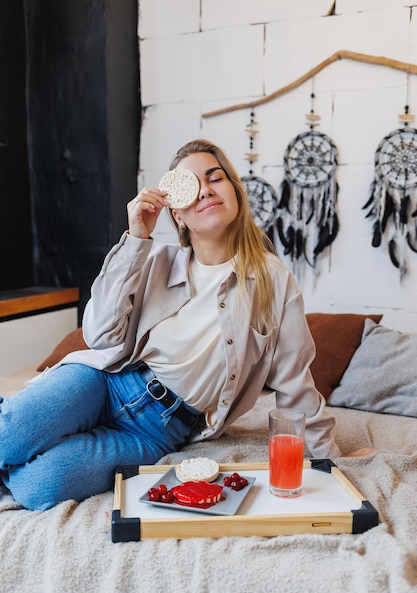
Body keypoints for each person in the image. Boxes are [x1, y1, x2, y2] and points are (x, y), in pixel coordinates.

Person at [0, 139, 373, 511]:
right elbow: (99, 335)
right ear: (177, 214)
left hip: (158, 432)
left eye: (216, 178)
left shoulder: (273, 281)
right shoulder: (152, 260)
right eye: (193, 185)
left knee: (40, 486)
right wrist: (136, 239)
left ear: (235, 193)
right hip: (105, 382)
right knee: (10, 434)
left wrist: (331, 464)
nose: (206, 190)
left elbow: (296, 386)